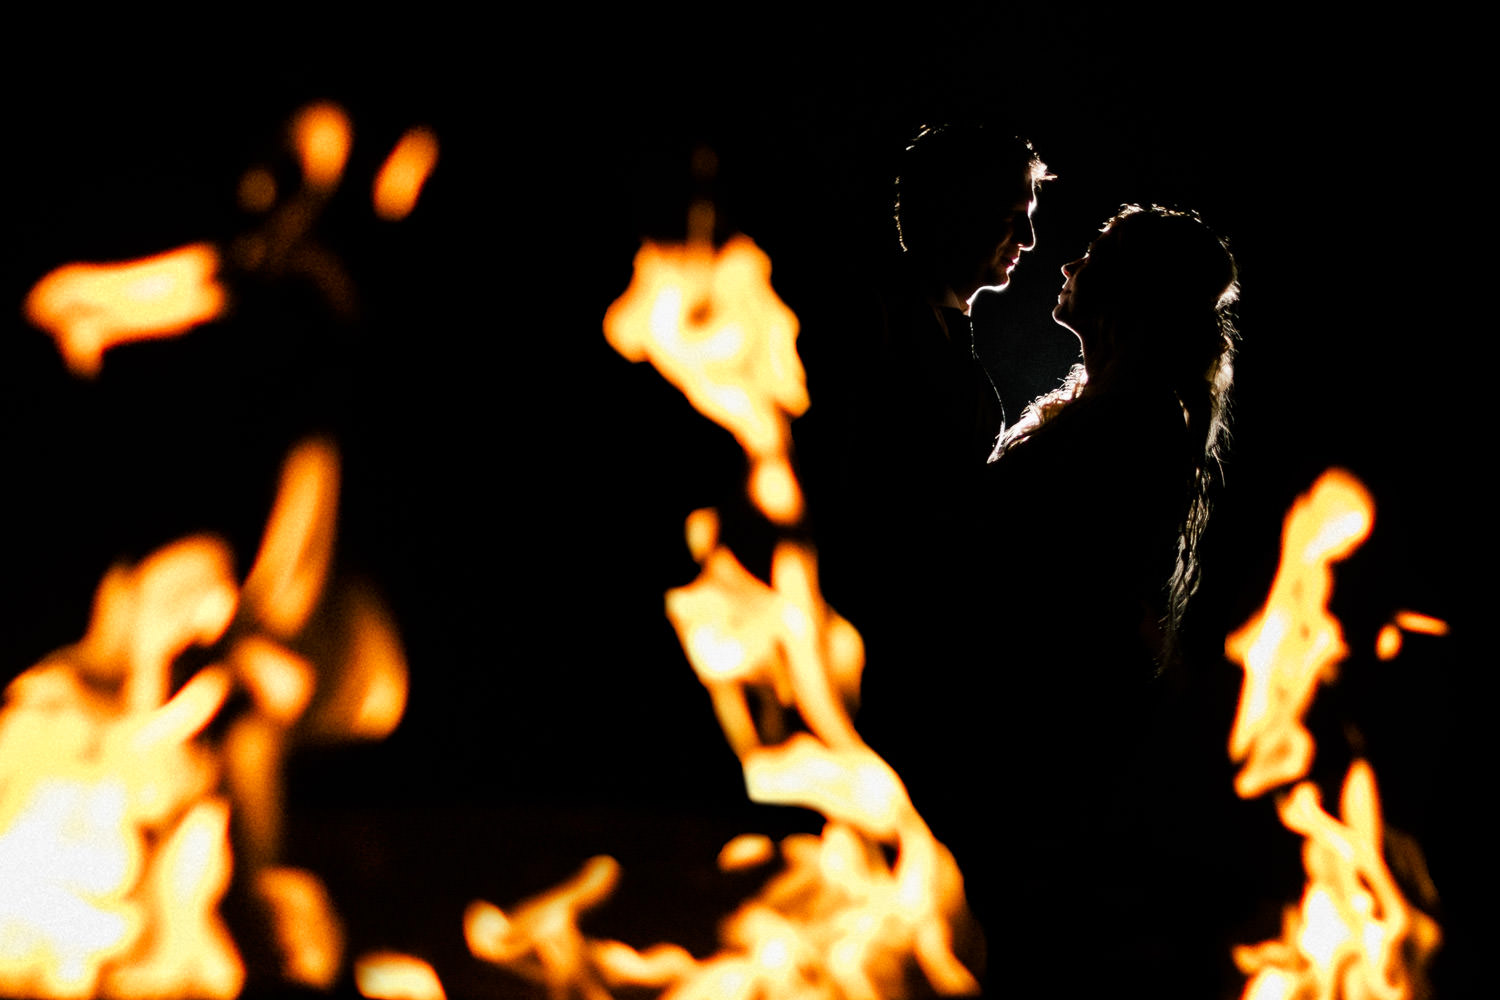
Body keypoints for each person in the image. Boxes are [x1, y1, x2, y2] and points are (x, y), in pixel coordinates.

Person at [949, 204, 1240, 990]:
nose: (1068, 261)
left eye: (1095, 252)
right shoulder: (1110, 406)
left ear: (1132, 291)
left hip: (1047, 740)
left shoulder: (1133, 422)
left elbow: (1045, 585)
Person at [792, 124, 1052, 814]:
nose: (1026, 242)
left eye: (1028, 220)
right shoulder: (869, 319)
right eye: (1010, 217)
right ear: (952, 210)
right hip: (878, 643)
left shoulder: (942, 324)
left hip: (929, 649)